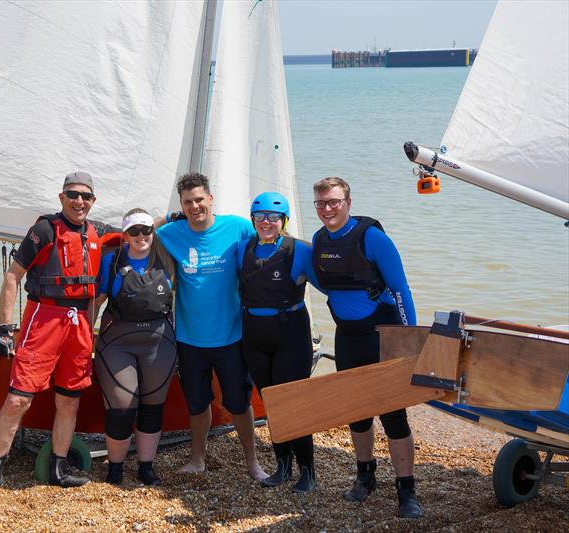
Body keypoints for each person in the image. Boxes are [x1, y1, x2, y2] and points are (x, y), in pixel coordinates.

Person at [0, 171, 117, 498]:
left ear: (94, 201)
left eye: (86, 197)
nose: (79, 201)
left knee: (69, 401)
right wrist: (5, 328)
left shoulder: (98, 232)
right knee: (18, 398)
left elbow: (139, 231)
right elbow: (12, 278)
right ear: (61, 197)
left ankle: (58, 468)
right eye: (73, 195)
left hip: (79, 325)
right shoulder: (44, 229)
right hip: (43, 318)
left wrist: (173, 217)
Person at [311, 176, 423, 518]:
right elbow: (321, 281)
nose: (327, 209)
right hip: (348, 338)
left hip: (381, 335)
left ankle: (407, 490)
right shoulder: (319, 240)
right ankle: (365, 476)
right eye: (321, 203)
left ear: (348, 202)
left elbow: (401, 289)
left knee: (393, 415)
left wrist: (408, 340)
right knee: (356, 413)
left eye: (334, 202)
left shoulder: (372, 238)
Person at [155, 172, 268, 481]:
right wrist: (169, 216)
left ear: (211, 199)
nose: (195, 207)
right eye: (187, 202)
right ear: (181, 204)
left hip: (231, 336)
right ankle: (198, 459)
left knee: (240, 403)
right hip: (190, 339)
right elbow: (147, 228)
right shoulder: (172, 232)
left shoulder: (237, 227)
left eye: (199, 200)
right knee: (197, 404)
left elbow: (270, 241)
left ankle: (252, 462)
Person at [237, 192, 319, 493]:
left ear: (284, 220)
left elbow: (332, 287)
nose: (267, 222)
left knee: (292, 403)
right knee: (271, 403)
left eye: (273, 217)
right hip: (255, 335)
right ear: (253, 220)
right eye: (260, 217)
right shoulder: (242, 249)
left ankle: (307, 470)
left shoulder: (300, 251)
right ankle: (283, 465)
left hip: (291, 334)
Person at [92, 208, 177, 486]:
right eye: (134, 231)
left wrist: (172, 215)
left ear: (153, 232)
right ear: (125, 234)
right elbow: (97, 300)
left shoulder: (166, 257)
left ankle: (145, 467)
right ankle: (115, 467)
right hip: (118, 342)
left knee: (153, 406)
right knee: (121, 407)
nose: (141, 236)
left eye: (146, 230)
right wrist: (81, 337)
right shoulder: (112, 260)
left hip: (159, 342)